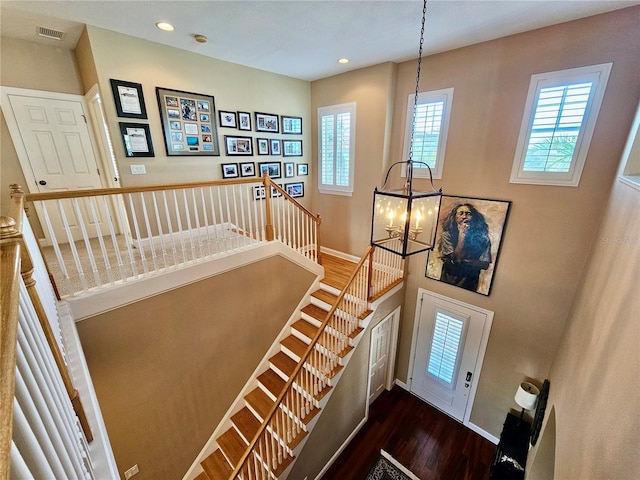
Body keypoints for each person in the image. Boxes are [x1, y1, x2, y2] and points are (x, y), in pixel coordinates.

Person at [438, 203, 491, 292]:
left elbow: (485, 264)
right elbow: (456, 259)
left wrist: (463, 261)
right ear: (455, 217)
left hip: (470, 283)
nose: (464, 216)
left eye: (468, 213)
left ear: (473, 217)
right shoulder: (447, 235)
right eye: (461, 213)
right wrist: (462, 235)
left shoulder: (483, 239)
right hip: (448, 281)